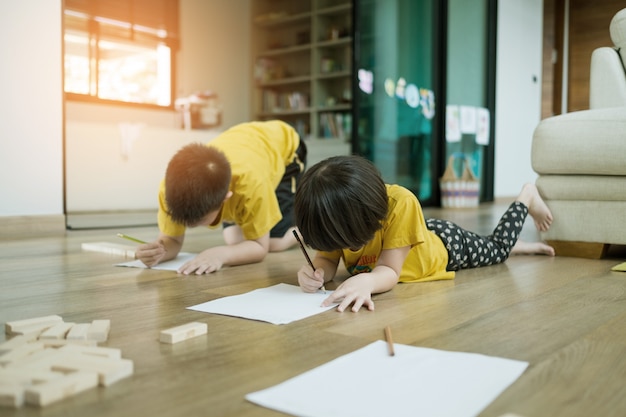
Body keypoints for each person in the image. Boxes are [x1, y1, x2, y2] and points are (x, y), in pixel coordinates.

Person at [294, 155, 554, 313]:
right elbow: (327, 259)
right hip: (414, 239)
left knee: (497, 250)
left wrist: (368, 283)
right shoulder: (336, 215)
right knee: (492, 246)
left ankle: (527, 196)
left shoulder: (401, 202)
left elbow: (390, 271)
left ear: (365, 218)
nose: (343, 248)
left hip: (448, 247)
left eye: (347, 242)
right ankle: (515, 245)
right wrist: (317, 274)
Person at [136, 120, 306, 274]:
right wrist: (158, 252)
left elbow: (260, 248)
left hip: (286, 148)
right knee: (234, 240)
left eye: (201, 221)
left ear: (226, 198)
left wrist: (220, 254)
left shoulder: (251, 184)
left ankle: (308, 229)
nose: (192, 226)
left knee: (274, 243)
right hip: (247, 147)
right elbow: (171, 240)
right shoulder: (171, 190)